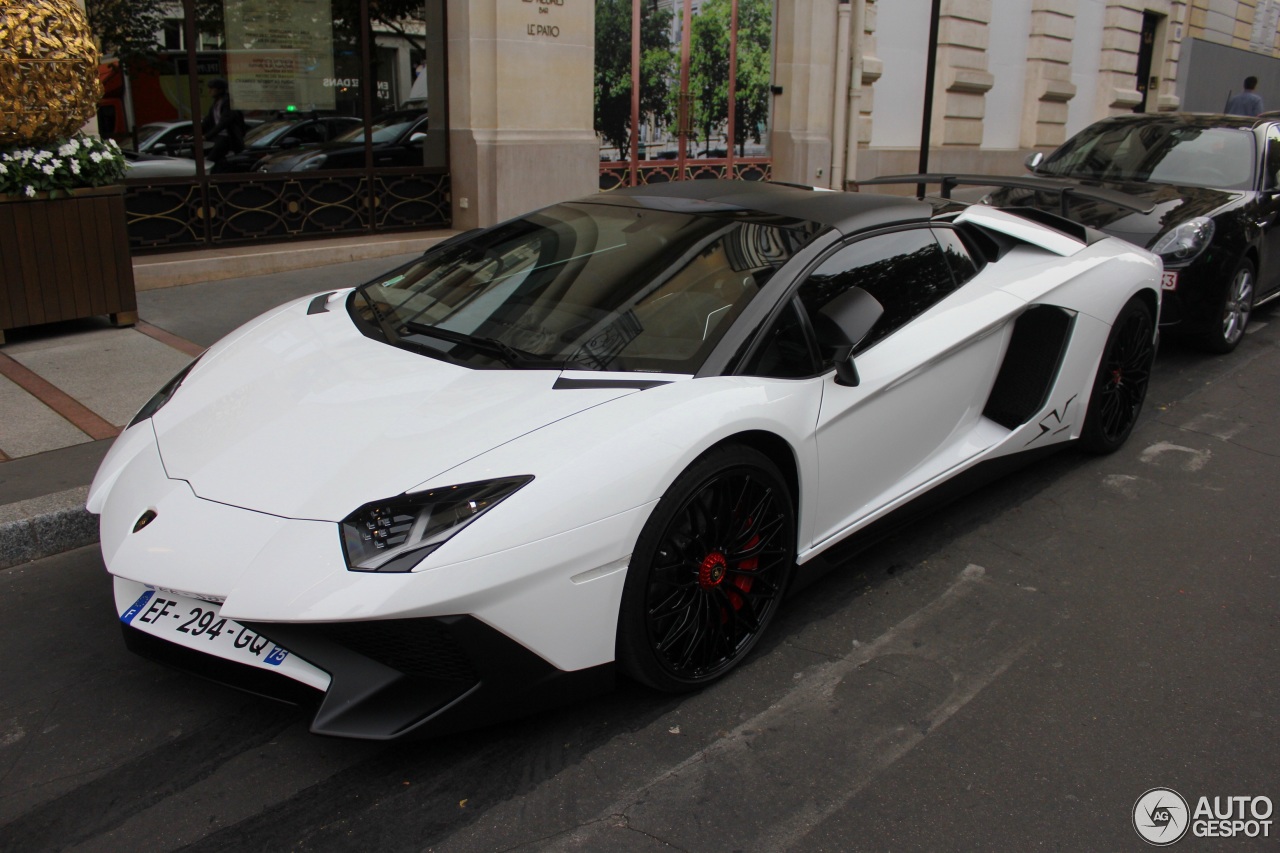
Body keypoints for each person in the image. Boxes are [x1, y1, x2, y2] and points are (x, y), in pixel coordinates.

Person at [201, 78, 245, 162]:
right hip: (219, 137)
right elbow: (207, 120)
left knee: (210, 160)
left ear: (220, 90)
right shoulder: (216, 103)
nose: (209, 91)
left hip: (228, 138)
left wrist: (206, 136)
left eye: (212, 88)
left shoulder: (228, 103)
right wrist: (192, 134)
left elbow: (224, 122)